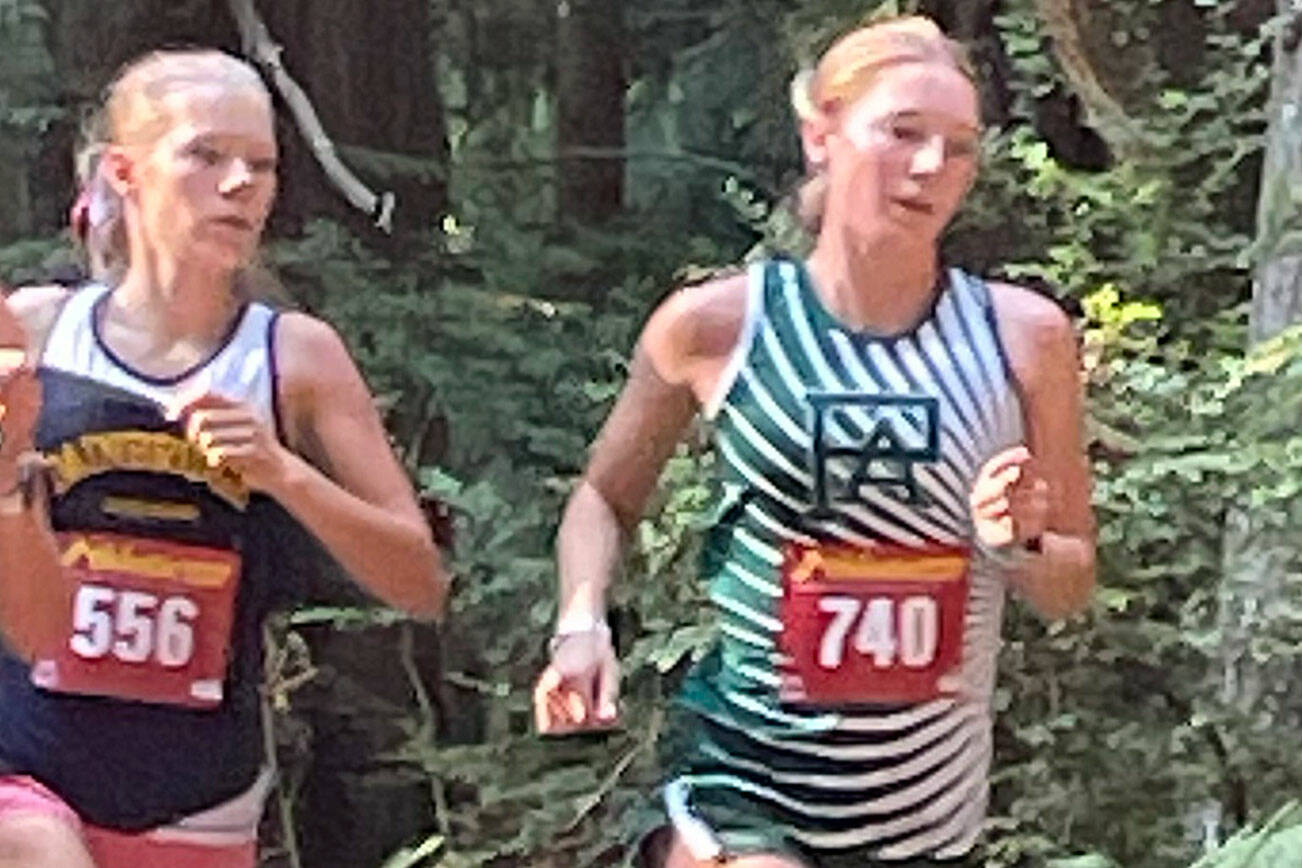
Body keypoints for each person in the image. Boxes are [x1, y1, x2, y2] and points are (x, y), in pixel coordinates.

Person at [534, 16, 1096, 867]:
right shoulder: (716, 326)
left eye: (958, 148)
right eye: (902, 133)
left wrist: (1017, 543)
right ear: (820, 135)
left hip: (926, 819)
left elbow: (1071, 582)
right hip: (743, 783)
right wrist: (581, 624)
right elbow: (603, 498)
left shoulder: (1025, 338)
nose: (930, 167)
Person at [0, 49, 448, 868]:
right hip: (23, 766)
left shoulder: (295, 359)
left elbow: (418, 583)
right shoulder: (34, 334)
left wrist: (283, 473)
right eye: (206, 155)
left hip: (198, 798)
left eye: (262, 165)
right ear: (125, 173)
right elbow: (29, 605)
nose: (240, 184)